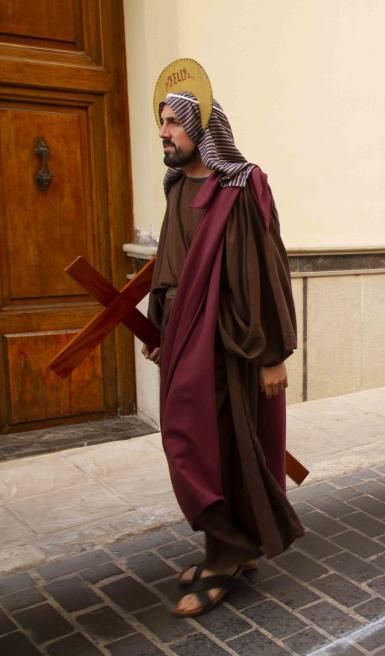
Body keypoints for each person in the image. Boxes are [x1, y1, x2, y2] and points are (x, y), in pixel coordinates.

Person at [141, 59, 303, 617]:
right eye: (160, 122)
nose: (162, 131)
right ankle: (237, 544)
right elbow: (167, 266)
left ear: (203, 128)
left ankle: (226, 556)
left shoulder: (239, 186)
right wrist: (160, 324)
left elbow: (266, 271)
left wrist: (272, 354)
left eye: (172, 122)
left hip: (233, 347)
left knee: (217, 450)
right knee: (195, 445)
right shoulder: (173, 187)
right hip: (187, 344)